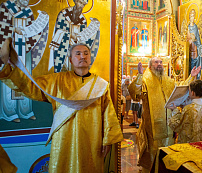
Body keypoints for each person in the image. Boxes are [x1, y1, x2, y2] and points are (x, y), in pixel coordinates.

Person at [0, 38, 123, 172]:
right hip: (64, 139)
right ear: (70, 60)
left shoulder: (101, 85)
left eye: (86, 53)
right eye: (78, 53)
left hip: (92, 140)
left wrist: (107, 140)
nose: (83, 56)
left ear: (90, 58)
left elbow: (108, 113)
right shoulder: (57, 80)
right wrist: (10, 67)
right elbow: (30, 87)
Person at [128, 56, 200, 172]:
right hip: (152, 129)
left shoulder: (168, 80)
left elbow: (180, 89)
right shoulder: (145, 80)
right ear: (150, 66)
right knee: (153, 156)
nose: (159, 64)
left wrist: (191, 77)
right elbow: (134, 93)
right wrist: (140, 76)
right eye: (156, 62)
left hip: (169, 127)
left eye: (161, 62)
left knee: (167, 156)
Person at [0, 0, 49, 122]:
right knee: (11, 75)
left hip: (24, 48)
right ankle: (9, 112)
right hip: (10, 49)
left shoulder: (28, 11)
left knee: (25, 77)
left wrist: (42, 26)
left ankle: (25, 110)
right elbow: (1, 25)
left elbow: (32, 30)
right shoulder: (6, 6)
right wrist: (13, 30)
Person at [49, 0, 100, 72]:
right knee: (62, 72)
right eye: (80, 2)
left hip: (76, 51)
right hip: (63, 48)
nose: (81, 6)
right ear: (75, 1)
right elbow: (59, 30)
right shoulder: (64, 14)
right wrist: (71, 36)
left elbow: (84, 36)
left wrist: (94, 27)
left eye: (83, 4)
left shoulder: (83, 20)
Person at [168, 80, 202, 144]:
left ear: (192, 93)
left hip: (191, 142)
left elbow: (178, 126)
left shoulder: (188, 108)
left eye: (189, 91)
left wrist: (175, 110)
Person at [187, 9, 202, 79]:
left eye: (193, 16)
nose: (192, 17)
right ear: (189, 17)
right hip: (190, 47)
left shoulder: (195, 27)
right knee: (191, 64)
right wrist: (190, 40)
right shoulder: (187, 27)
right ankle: (191, 78)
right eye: (191, 16)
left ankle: (196, 78)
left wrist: (200, 48)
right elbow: (185, 38)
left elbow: (198, 38)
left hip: (195, 47)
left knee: (198, 59)